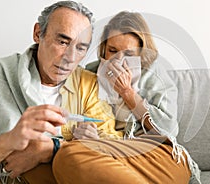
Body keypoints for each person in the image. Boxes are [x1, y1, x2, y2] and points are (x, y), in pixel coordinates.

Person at [53, 11, 200, 184]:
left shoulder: (154, 75)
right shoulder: (91, 73)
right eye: (112, 50)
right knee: (68, 156)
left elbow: (169, 130)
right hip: (109, 154)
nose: (118, 61)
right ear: (103, 49)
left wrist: (127, 93)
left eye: (129, 55)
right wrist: (89, 136)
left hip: (154, 153)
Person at [0, 0, 121, 184]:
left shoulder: (88, 85)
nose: (70, 58)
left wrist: (53, 148)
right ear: (38, 33)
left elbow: (114, 150)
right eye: (63, 42)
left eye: (80, 48)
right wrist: (9, 140)